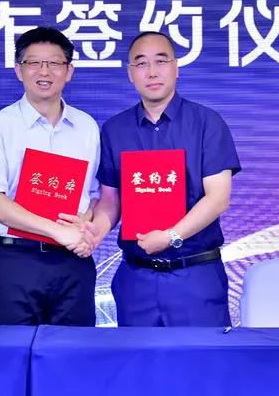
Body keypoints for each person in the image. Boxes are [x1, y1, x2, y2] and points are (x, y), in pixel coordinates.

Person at [83, 31, 240, 327]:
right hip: (136, 279)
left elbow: (218, 198)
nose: (152, 72)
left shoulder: (206, 123)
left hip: (195, 276)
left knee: (202, 356)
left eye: (161, 61)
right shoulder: (115, 130)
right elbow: (110, 200)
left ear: (176, 68)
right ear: (130, 73)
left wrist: (171, 236)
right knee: (137, 357)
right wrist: (94, 232)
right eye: (141, 63)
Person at [0, 27, 101, 326]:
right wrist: (57, 231)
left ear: (69, 71)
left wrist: (83, 224)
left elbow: (93, 194)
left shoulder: (87, 127)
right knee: (12, 351)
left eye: (54, 63)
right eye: (34, 63)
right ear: (19, 70)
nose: (44, 71)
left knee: (75, 350)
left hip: (72, 262)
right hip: (15, 262)